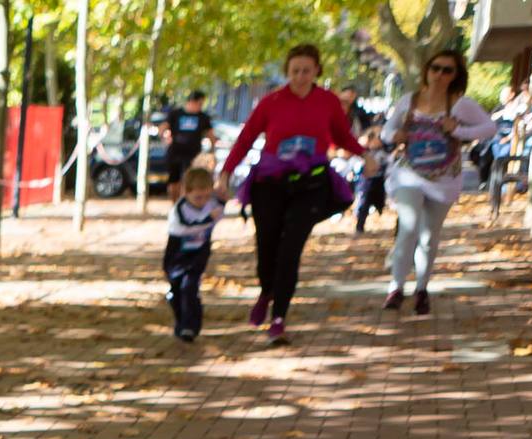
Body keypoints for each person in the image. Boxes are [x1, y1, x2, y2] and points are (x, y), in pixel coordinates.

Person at [216, 43, 366, 344]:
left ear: (316, 72)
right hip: (270, 183)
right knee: (268, 246)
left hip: (310, 184)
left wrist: (364, 154)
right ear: (287, 71)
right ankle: (266, 290)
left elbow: (341, 135)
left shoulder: (327, 102)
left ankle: (279, 316)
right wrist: (225, 173)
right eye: (295, 70)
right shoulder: (271, 102)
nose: (300, 76)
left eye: (306, 71)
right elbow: (246, 138)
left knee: (290, 249)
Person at [381, 49, 495, 315]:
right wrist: (395, 134)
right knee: (408, 228)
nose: (440, 74)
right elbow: (387, 131)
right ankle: (395, 288)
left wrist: (457, 130)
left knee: (430, 237)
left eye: (447, 70)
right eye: (436, 68)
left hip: (444, 177)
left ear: (456, 76)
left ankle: (422, 289)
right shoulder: (409, 101)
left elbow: (489, 128)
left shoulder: (460, 104)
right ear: (427, 70)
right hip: (410, 173)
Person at [164, 166, 227, 342]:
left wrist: (221, 201)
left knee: (189, 287)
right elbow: (188, 227)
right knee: (176, 290)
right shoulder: (179, 210)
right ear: (187, 192)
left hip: (198, 253)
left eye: (206, 197)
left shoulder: (211, 205)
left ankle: (190, 326)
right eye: (198, 197)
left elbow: (220, 210)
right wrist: (209, 219)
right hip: (177, 254)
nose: (202, 202)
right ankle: (181, 322)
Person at [346, 91, 390, 234]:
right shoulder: (363, 153)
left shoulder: (385, 152)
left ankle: (376, 212)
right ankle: (360, 223)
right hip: (366, 178)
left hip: (379, 178)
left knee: (378, 198)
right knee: (364, 199)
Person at [156, 91, 215, 186]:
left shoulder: (203, 117)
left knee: (188, 181)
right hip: (175, 153)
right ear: (192, 101)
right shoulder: (175, 113)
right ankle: (175, 201)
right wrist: (163, 139)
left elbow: (210, 134)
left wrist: (212, 151)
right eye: (199, 103)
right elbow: (163, 127)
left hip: (193, 154)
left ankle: (183, 199)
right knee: (173, 183)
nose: (201, 106)